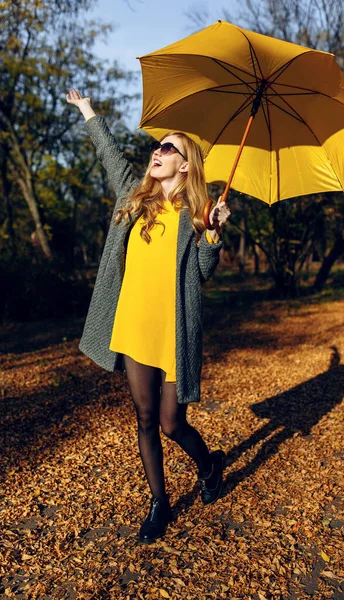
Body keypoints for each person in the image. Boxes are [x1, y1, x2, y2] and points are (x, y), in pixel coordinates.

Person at [66, 89, 231, 544]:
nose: (157, 152)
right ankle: (159, 503)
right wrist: (88, 111)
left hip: (174, 331)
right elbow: (110, 154)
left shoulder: (197, 213)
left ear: (186, 164)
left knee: (171, 422)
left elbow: (200, 273)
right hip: (134, 324)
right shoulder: (134, 197)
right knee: (144, 418)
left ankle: (210, 463)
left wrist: (213, 237)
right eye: (157, 146)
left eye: (168, 148)